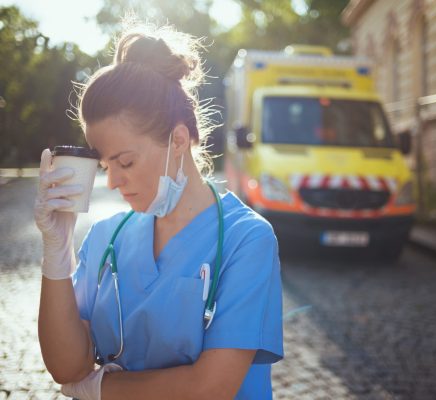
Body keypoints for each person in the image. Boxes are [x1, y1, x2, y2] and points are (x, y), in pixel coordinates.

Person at [34, 22, 283, 400]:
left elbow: (211, 387)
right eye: (105, 166)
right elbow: (67, 367)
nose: (113, 181)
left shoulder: (246, 239)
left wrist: (103, 388)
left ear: (178, 140)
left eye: (126, 162)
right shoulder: (106, 238)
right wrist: (55, 253)